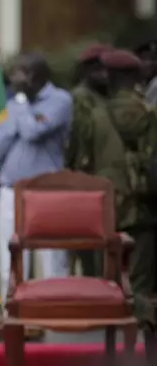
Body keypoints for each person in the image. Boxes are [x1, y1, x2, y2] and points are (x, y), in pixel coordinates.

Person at [0, 52, 73, 305]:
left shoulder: (60, 100)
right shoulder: (16, 103)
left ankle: (56, 317)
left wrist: (19, 109)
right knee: (11, 256)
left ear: (33, 75)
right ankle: (13, 315)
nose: (13, 78)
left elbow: (32, 131)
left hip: (46, 190)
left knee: (51, 257)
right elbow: (1, 143)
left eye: (18, 73)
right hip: (10, 188)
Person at [99, 49, 157, 362]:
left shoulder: (95, 114)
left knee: (108, 283)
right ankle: (145, 353)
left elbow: (81, 162)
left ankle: (110, 350)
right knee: (140, 284)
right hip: (141, 212)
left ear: (109, 76)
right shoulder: (148, 114)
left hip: (100, 214)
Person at [65, 43, 113, 277]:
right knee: (88, 242)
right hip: (87, 177)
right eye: (99, 69)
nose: (105, 75)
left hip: (104, 177)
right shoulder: (82, 97)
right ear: (87, 71)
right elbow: (80, 141)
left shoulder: (104, 96)